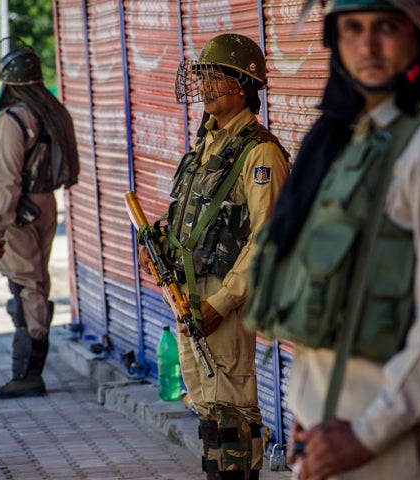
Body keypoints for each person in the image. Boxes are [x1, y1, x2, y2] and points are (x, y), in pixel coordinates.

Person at [244, 1, 420, 478]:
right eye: (351, 28)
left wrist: (364, 436)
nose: (366, 45)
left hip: (394, 444)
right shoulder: (355, 138)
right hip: (333, 439)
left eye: (386, 26)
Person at [147, 33, 289, 479]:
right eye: (202, 76)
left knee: (232, 414)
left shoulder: (260, 153)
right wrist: (161, 251)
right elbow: (195, 218)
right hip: (191, 297)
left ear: (241, 86)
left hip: (221, 300)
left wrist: (220, 303)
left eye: (213, 77)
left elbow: (268, 240)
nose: (203, 86)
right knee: (209, 411)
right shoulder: (209, 142)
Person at [0, 38, 79, 399]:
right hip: (45, 204)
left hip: (19, 211)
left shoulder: (15, 118)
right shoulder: (51, 112)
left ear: (10, 80)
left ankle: (27, 375)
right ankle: (30, 370)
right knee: (37, 283)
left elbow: (6, 180)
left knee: (26, 288)